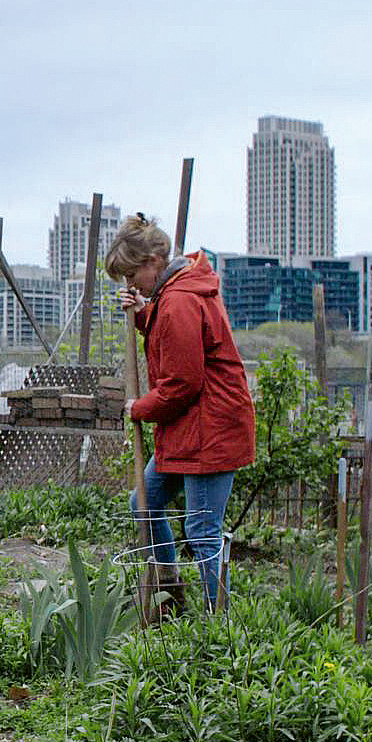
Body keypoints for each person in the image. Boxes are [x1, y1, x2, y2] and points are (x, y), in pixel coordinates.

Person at [104, 213, 255, 609]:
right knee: (145, 503)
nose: (131, 284)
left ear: (153, 262)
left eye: (132, 276)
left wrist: (139, 408)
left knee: (203, 529)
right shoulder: (174, 295)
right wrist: (143, 312)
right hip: (190, 429)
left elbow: (182, 385)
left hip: (210, 430)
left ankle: (218, 622)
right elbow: (174, 341)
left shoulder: (179, 301)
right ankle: (168, 591)